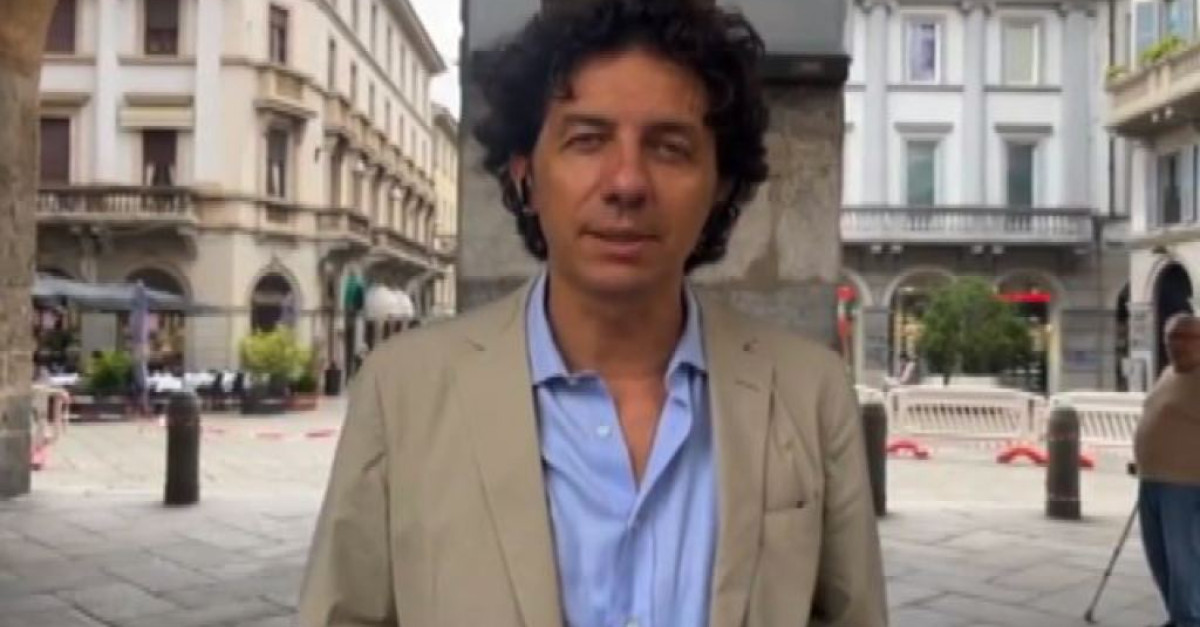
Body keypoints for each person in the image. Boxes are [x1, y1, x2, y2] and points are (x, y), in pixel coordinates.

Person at [299, 1, 887, 625]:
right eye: (587, 140)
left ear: (720, 186)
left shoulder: (809, 393)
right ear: (526, 175)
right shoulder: (403, 392)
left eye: (669, 147)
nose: (627, 183)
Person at [1136, 313, 1200, 627]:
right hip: (1151, 479)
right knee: (1158, 556)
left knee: (1183, 559)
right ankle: (1177, 616)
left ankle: (1189, 619)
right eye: (1172, 337)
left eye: (1187, 337)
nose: (1178, 344)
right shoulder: (1167, 373)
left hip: (1186, 485)